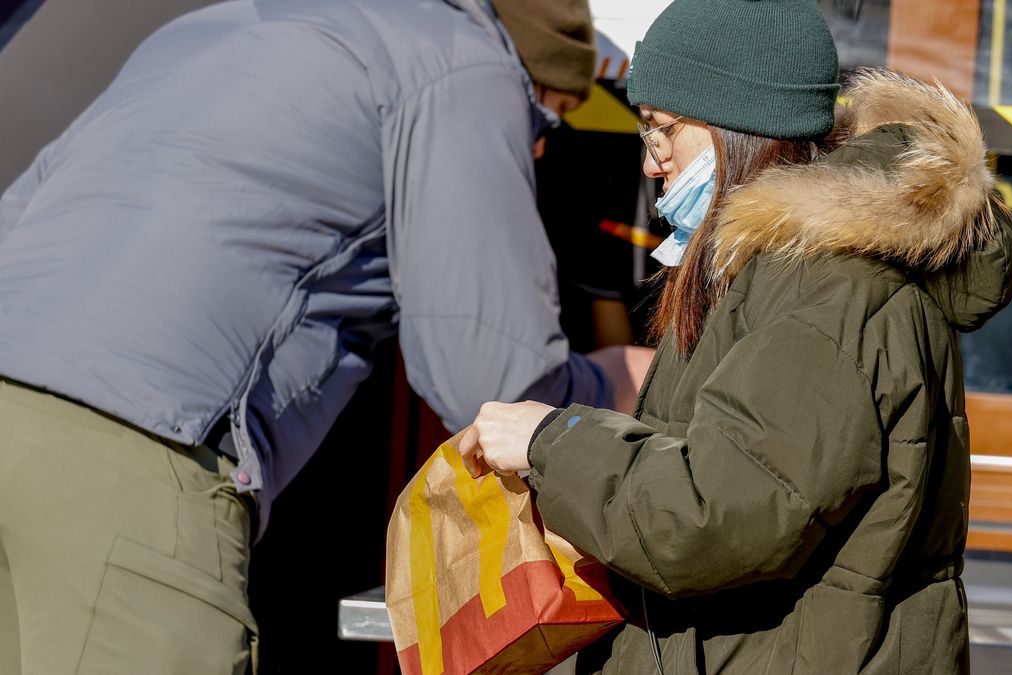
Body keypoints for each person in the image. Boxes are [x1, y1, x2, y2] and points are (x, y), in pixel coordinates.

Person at [0, 0, 654, 672]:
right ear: (532, 68)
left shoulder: (225, 21)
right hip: (140, 450)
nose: (539, 150)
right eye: (546, 122)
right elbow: (493, 384)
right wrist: (619, 378)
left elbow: (27, 205)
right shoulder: (467, 62)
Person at [464, 0, 1012, 672]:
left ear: (738, 126)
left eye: (661, 131)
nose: (650, 162)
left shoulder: (829, 286)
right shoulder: (777, 268)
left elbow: (716, 516)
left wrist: (551, 441)